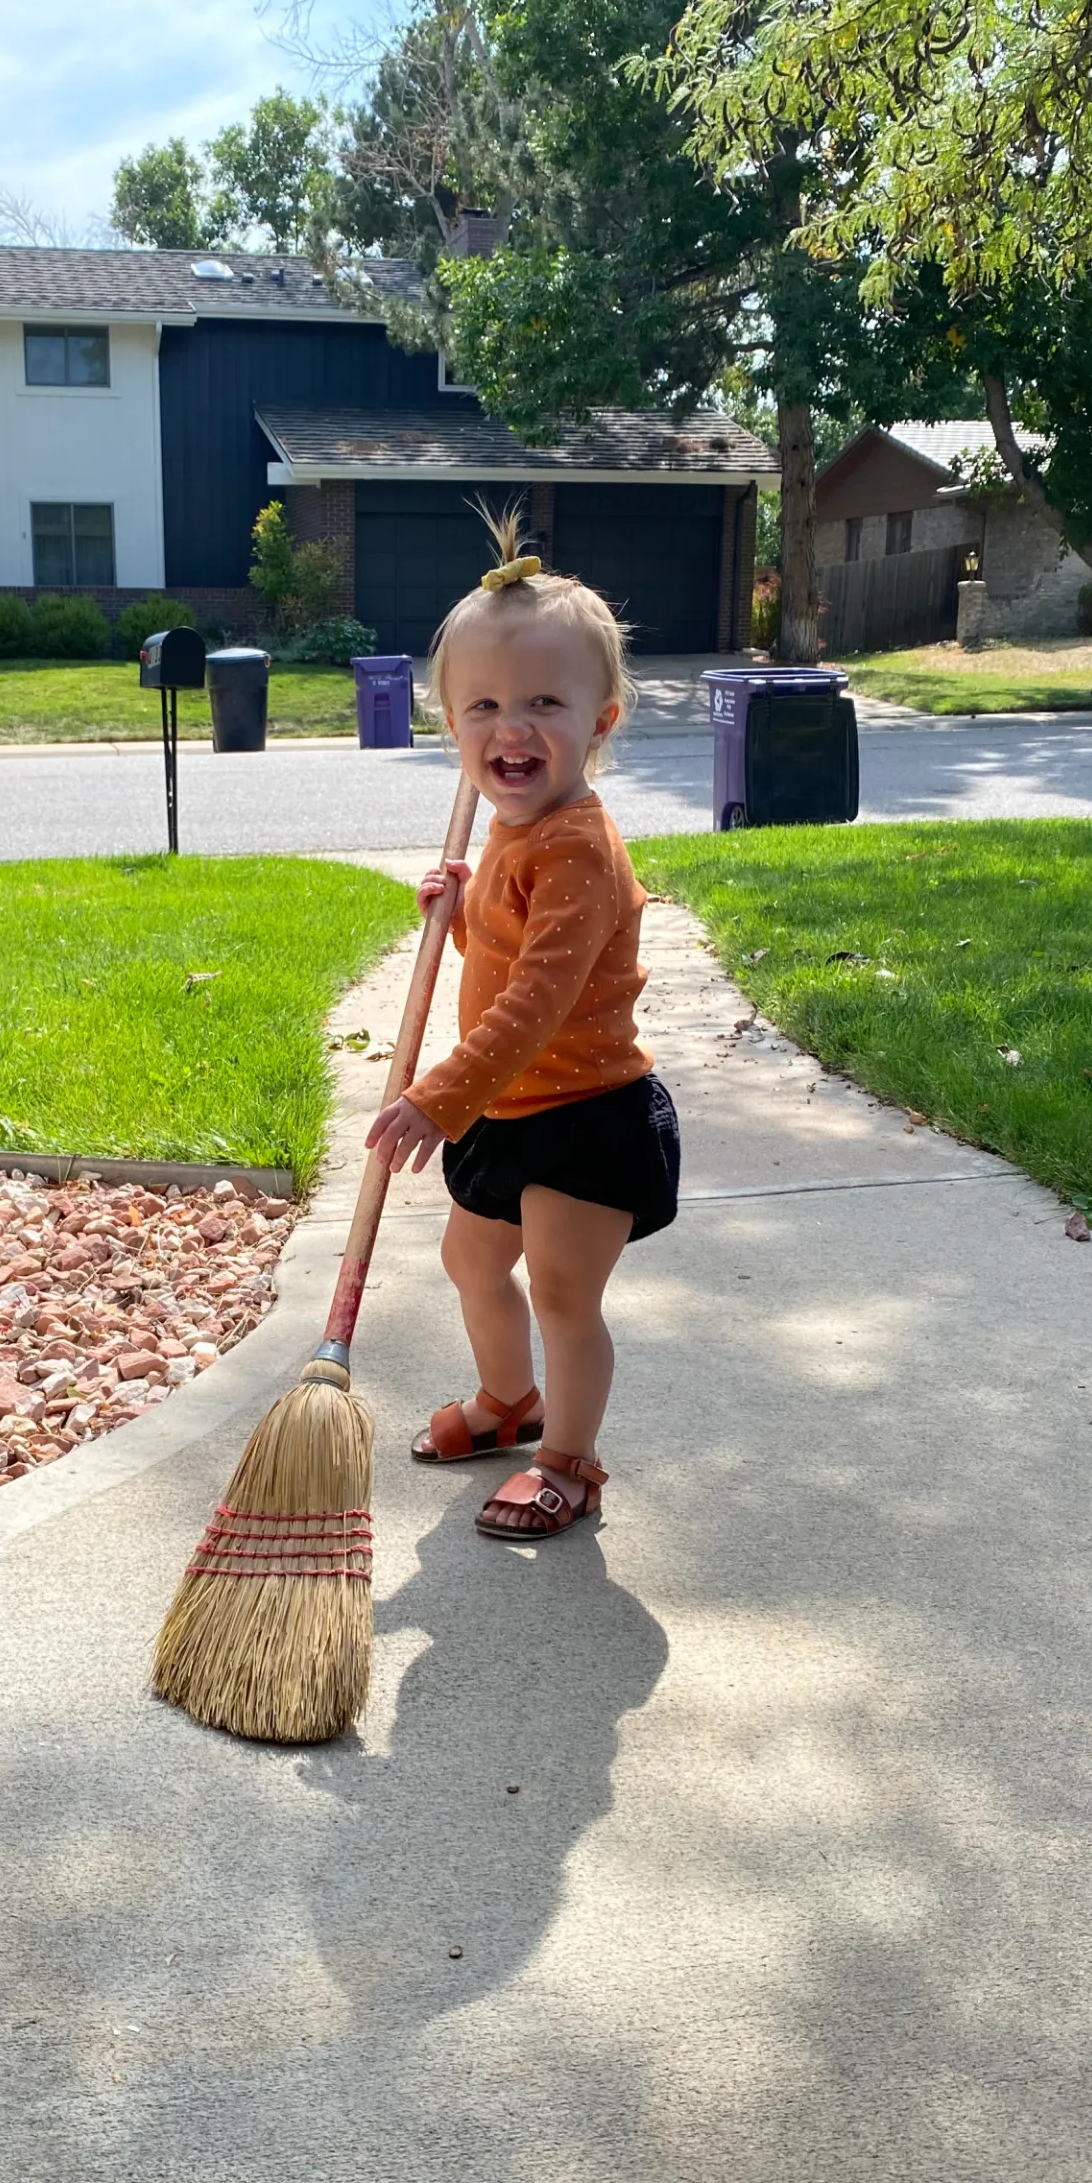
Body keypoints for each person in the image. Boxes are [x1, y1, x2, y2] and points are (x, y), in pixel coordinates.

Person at [366, 507, 680, 1540]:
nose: (512, 727)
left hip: (586, 1112)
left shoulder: (579, 847)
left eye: (545, 701)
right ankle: (509, 1403)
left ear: (601, 720)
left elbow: (539, 1002)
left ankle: (569, 1462)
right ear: (450, 725)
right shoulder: (514, 829)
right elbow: (506, 956)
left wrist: (436, 1098)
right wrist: (458, 915)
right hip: (514, 1105)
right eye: (484, 705)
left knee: (559, 1292)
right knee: (471, 1261)